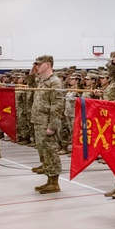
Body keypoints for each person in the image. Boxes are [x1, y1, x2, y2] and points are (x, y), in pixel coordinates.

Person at [29, 55, 64, 194]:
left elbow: (57, 105)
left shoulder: (55, 82)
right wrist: (34, 69)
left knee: (51, 152)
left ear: (48, 64)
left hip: (47, 123)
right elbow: (30, 83)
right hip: (38, 121)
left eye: (39, 64)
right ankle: (49, 180)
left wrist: (52, 126)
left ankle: (54, 183)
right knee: (43, 151)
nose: (37, 66)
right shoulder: (42, 80)